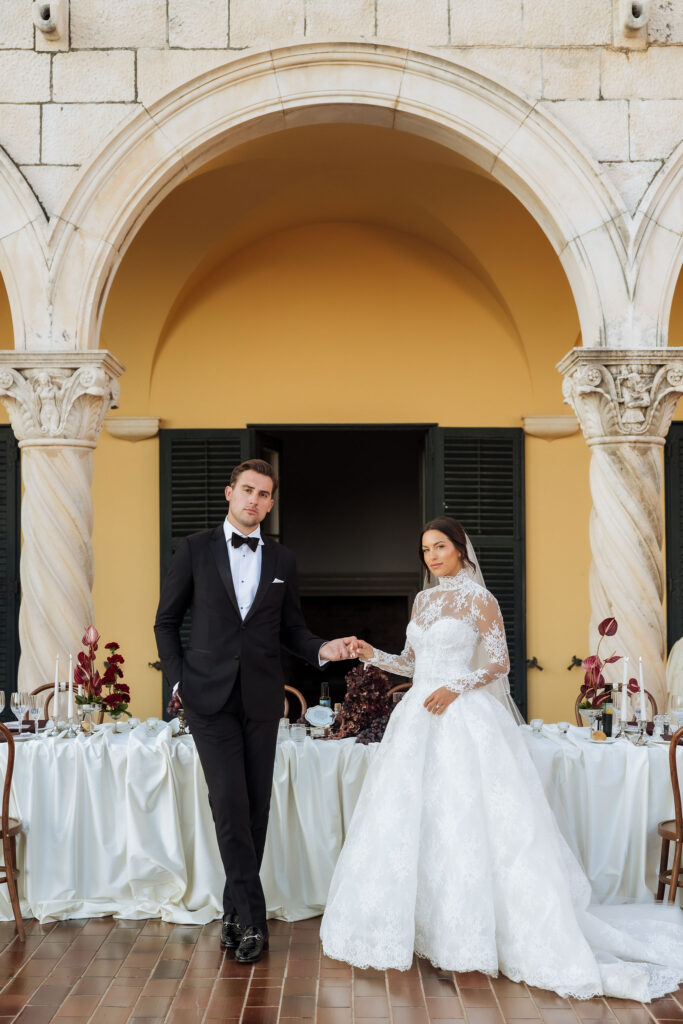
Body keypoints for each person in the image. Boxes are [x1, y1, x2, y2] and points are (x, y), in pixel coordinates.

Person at [320, 516, 683, 1001]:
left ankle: (471, 934)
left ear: (460, 550)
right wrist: (372, 654)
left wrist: (456, 687)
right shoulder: (423, 601)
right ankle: (419, 925)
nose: (431, 556)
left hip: (462, 717)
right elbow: (411, 662)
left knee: (467, 822)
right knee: (411, 821)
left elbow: (499, 663)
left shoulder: (480, 599)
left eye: (440, 546)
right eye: (425, 549)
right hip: (417, 721)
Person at [154, 459, 355, 963]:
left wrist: (324, 649)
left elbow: (292, 630)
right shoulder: (196, 549)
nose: (254, 501)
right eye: (247, 490)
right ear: (229, 493)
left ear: (270, 502)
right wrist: (179, 679)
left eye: (264, 495)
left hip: (262, 698)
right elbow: (166, 621)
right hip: (208, 699)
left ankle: (233, 912)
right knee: (228, 803)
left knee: (255, 809)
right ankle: (254, 920)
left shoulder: (283, 560)